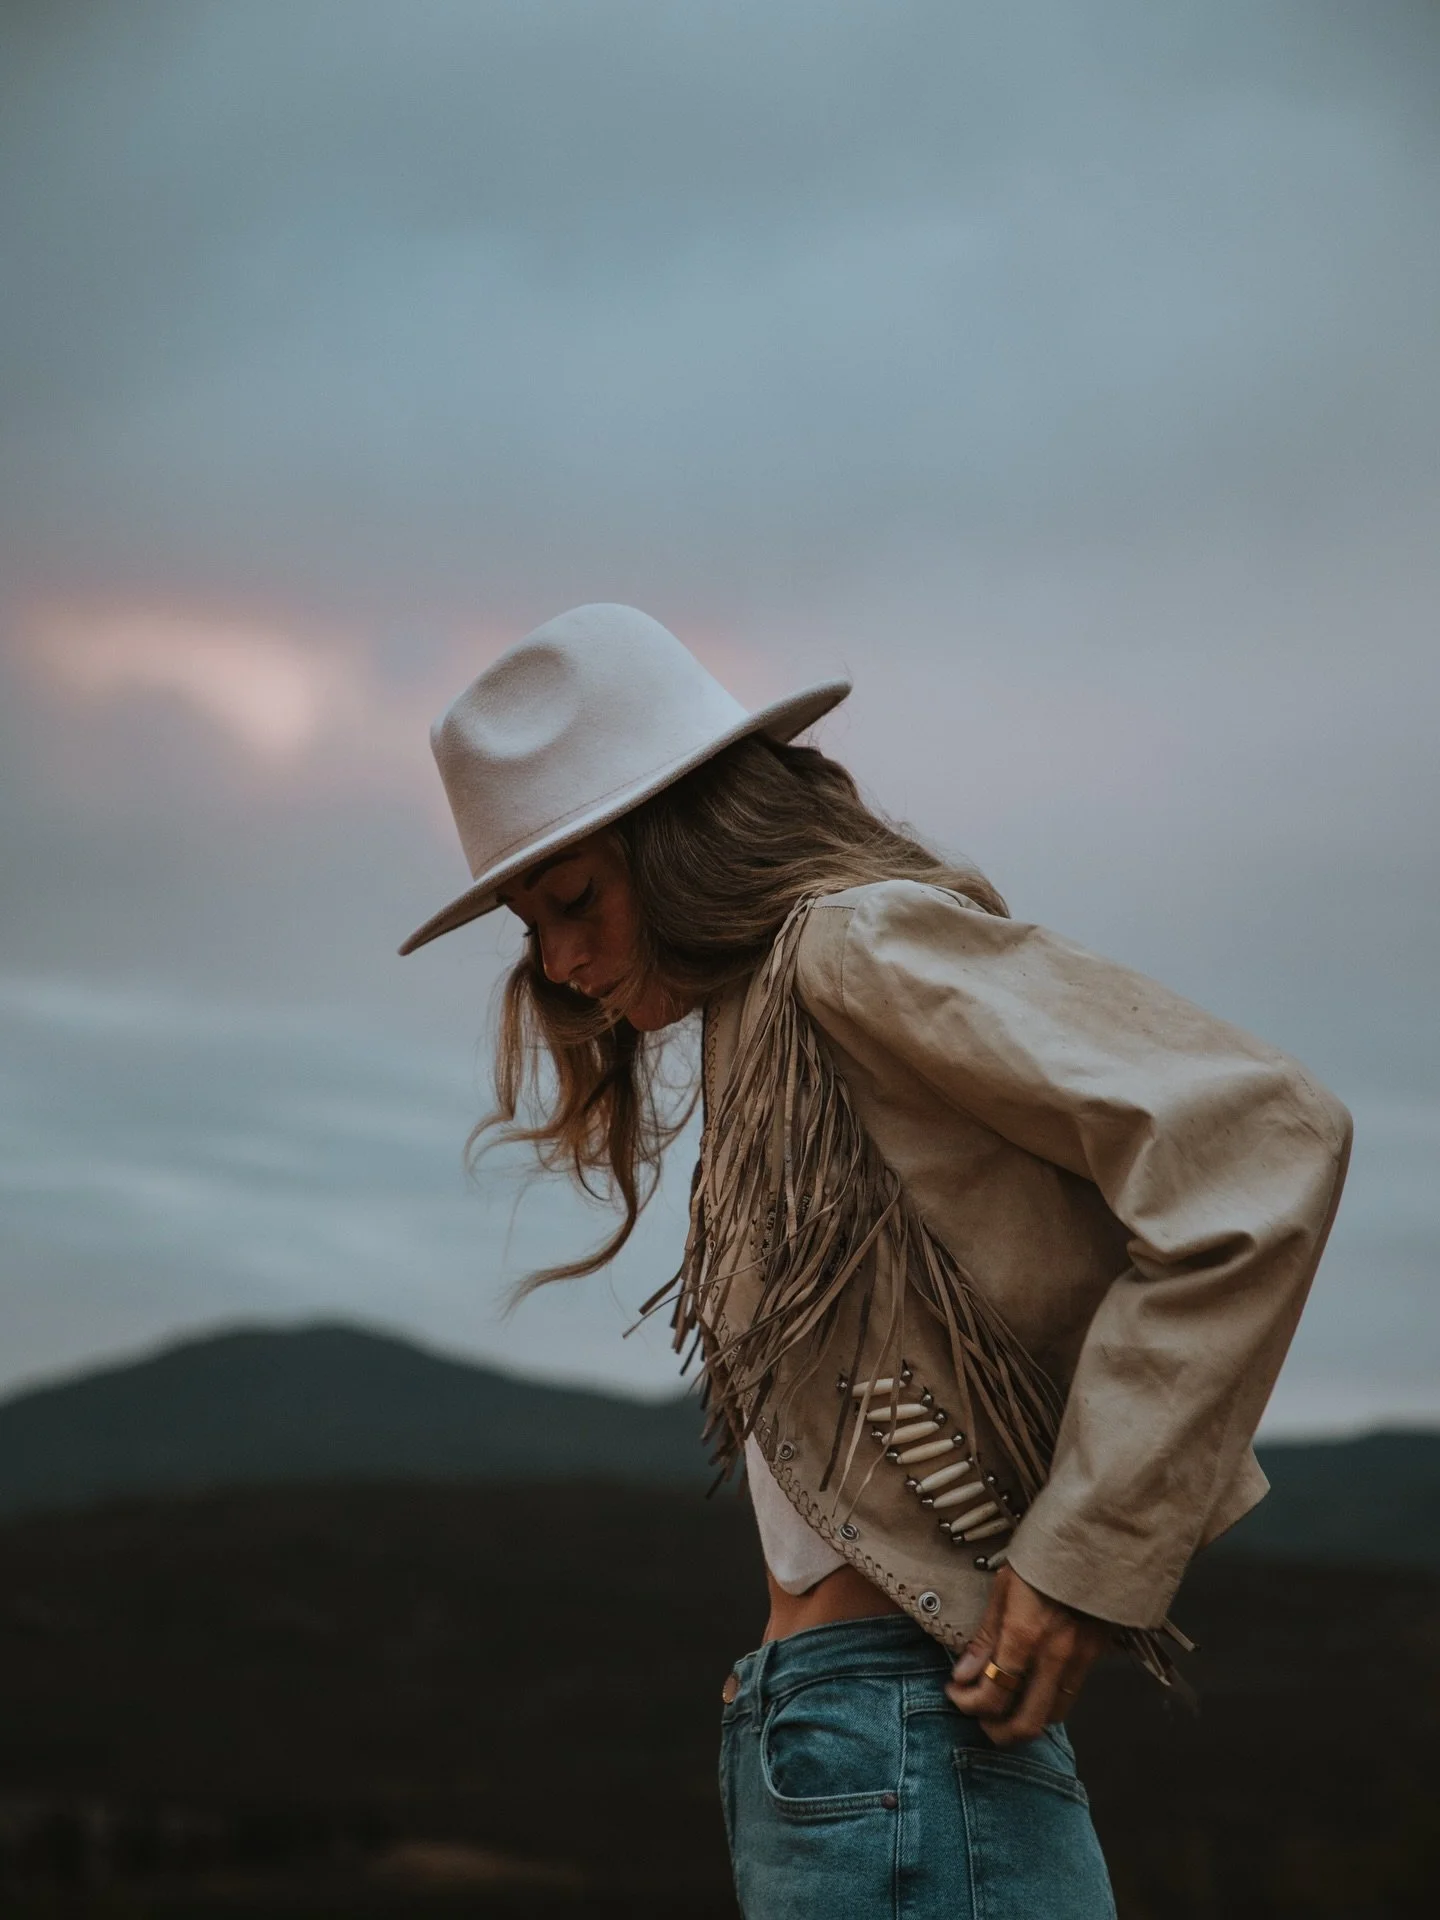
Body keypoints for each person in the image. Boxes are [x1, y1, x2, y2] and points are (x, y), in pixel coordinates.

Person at [400, 603, 1352, 1919]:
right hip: (834, 1734)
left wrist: (1082, 1559)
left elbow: (1258, 1142)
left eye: (574, 900)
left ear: (690, 845)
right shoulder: (762, 1026)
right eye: (529, 922)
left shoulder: (853, 945)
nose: (558, 960)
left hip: (904, 1732)